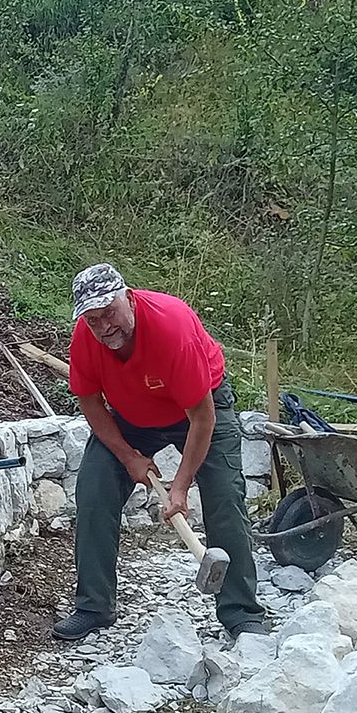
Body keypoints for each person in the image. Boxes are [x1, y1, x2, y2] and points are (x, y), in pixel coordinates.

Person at [52, 264, 266, 641]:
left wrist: (180, 487)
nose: (104, 327)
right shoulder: (87, 339)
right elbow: (88, 400)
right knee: (94, 489)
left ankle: (241, 611)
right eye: (93, 319)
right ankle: (93, 606)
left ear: (128, 297)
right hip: (132, 415)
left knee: (224, 497)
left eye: (110, 314)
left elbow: (202, 418)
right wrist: (127, 455)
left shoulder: (171, 328)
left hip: (199, 409)